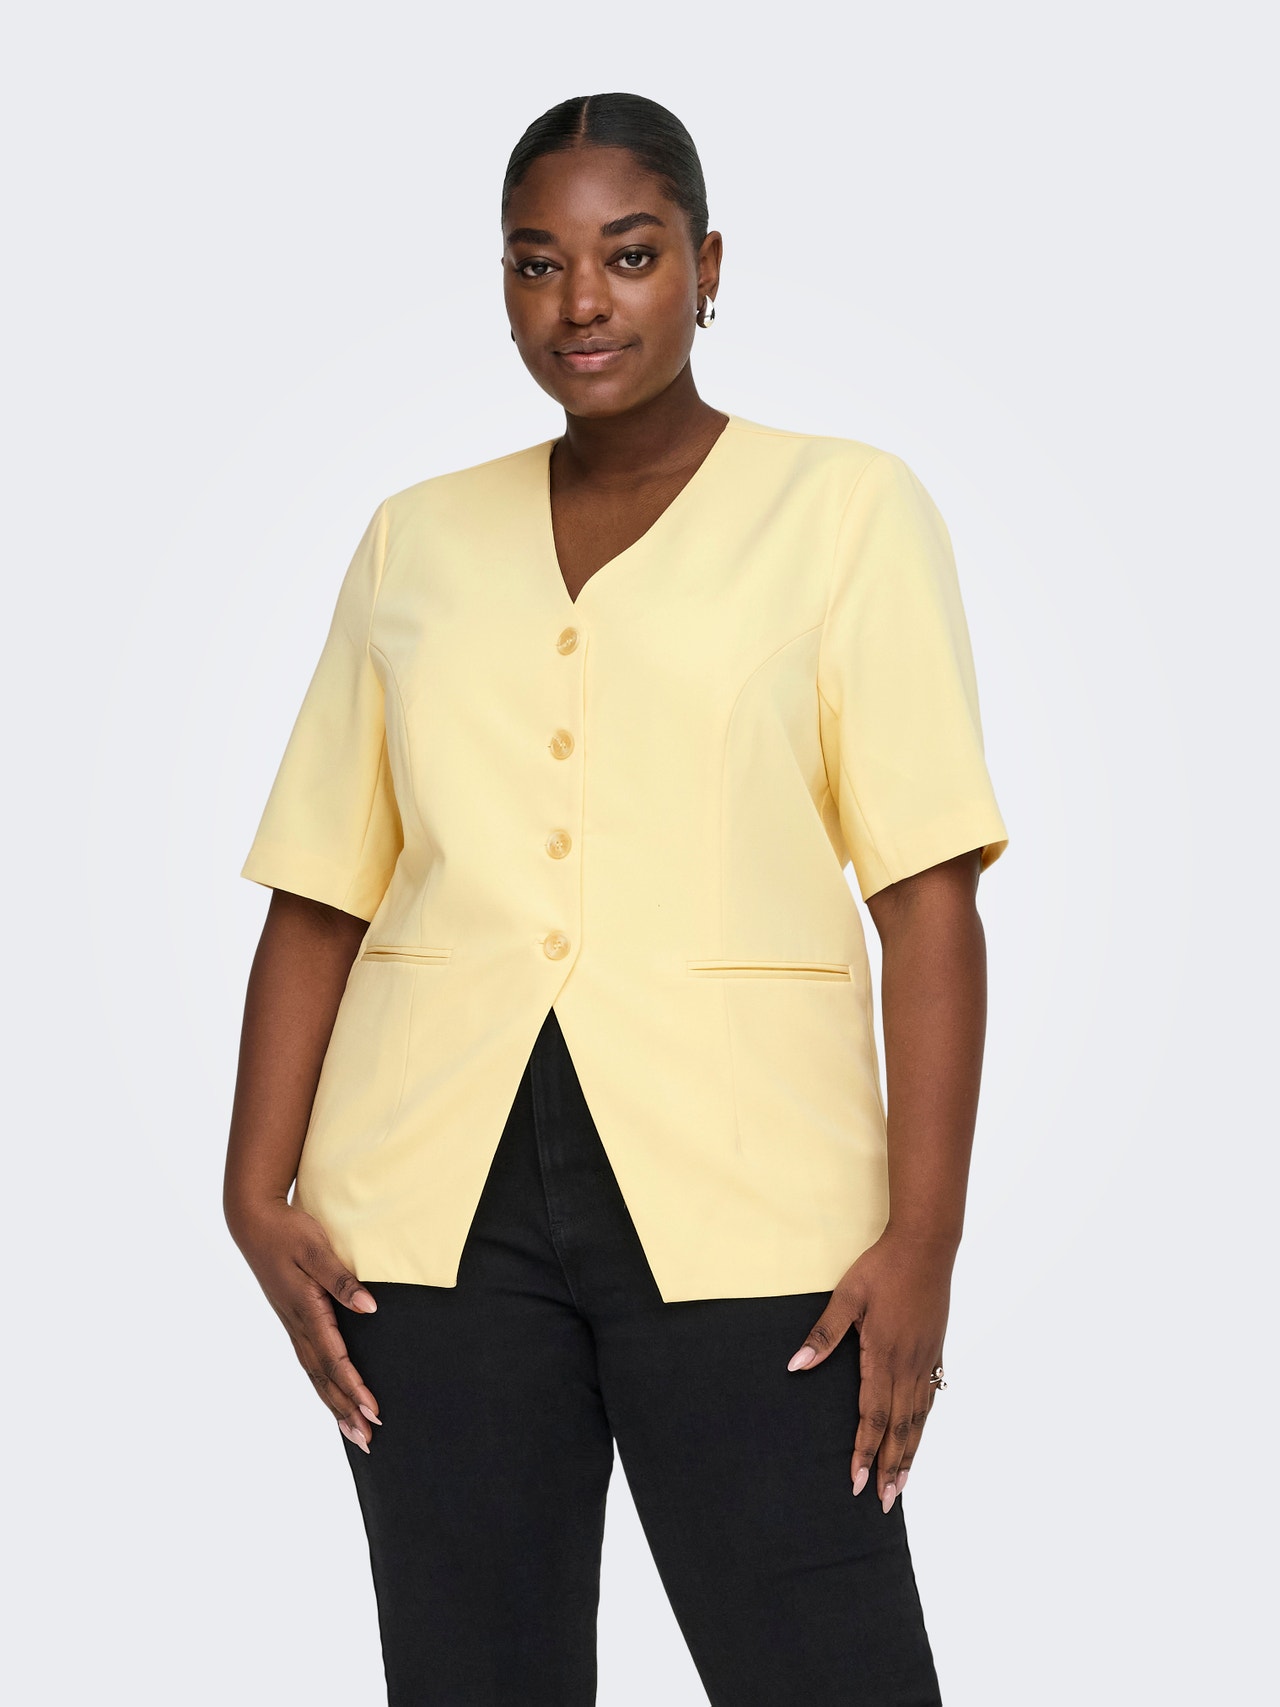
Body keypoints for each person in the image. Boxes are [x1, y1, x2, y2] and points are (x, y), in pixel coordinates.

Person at [225, 90, 1009, 1707]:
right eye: (539, 263)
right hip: (427, 1212)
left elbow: (929, 898)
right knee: (474, 1675)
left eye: (630, 255)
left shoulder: (847, 511)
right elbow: (321, 890)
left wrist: (925, 1240)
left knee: (827, 1666)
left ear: (708, 268)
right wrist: (251, 1187)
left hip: (752, 1203)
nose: (581, 301)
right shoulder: (413, 541)